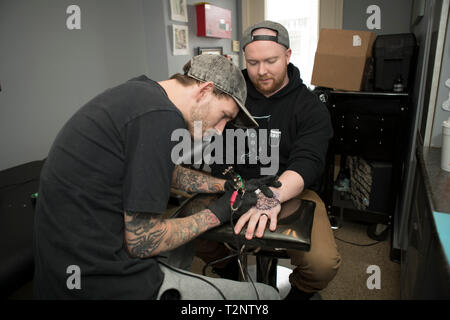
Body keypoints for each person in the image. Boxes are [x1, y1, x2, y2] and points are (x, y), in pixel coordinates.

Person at [33, 54, 280, 300]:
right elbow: (142, 243)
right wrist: (219, 212)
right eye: (224, 115)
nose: (220, 130)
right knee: (266, 297)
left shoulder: (142, 94)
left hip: (61, 266)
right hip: (98, 279)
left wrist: (226, 184)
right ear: (205, 90)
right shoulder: (160, 117)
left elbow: (167, 171)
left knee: (185, 246)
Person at [204, 21, 342, 300]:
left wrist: (272, 196)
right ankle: (233, 276)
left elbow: (309, 161)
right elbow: (214, 148)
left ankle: (297, 297)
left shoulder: (309, 106)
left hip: (291, 189)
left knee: (322, 265)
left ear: (288, 55)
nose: (262, 70)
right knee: (189, 232)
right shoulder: (229, 93)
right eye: (253, 62)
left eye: (271, 60)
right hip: (234, 185)